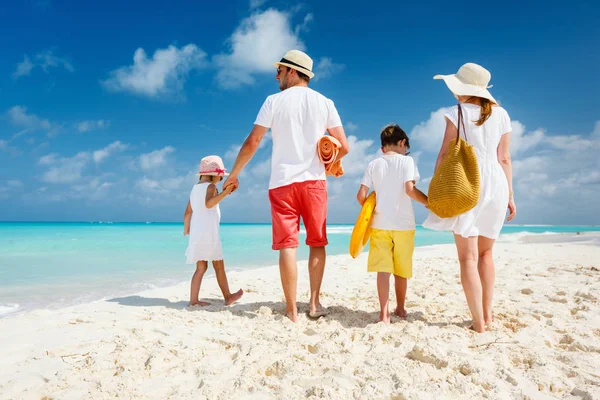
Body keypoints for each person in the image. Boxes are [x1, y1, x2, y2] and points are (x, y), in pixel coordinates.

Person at [223, 50, 349, 322]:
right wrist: (330, 162)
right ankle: (314, 304)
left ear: (292, 71)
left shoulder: (273, 101)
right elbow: (345, 147)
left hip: (282, 183)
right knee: (317, 242)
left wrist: (233, 174)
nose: (276, 75)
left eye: (279, 70)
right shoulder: (325, 102)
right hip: (314, 182)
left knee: (287, 246)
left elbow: (253, 141)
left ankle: (291, 310)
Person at [423, 63, 516, 333]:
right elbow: (505, 158)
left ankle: (478, 322)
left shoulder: (457, 113)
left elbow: (444, 154)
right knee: (487, 255)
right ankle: (488, 314)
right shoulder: (503, 115)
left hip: (466, 181)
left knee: (468, 258)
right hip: (496, 183)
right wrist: (510, 194)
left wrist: (436, 188)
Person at [356, 125, 428, 324]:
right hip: (404, 225)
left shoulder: (374, 164)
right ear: (403, 143)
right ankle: (401, 309)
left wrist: (373, 207)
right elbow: (410, 190)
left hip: (380, 224)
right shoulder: (407, 161)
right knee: (401, 270)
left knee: (383, 270)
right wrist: (428, 202)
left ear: (382, 148)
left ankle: (383, 313)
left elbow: (361, 196)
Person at [184, 155, 243, 307]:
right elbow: (209, 204)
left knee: (201, 267)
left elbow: (188, 212)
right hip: (209, 234)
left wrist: (187, 229)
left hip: (198, 233)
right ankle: (228, 296)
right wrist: (224, 194)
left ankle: (193, 300)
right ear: (213, 175)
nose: (221, 180)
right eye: (221, 177)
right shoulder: (211, 187)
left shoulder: (194, 189)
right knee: (219, 265)